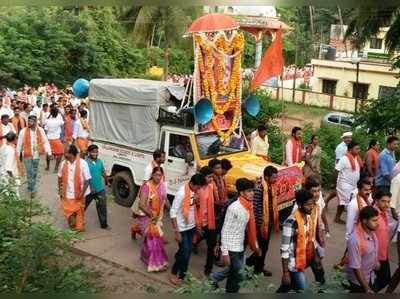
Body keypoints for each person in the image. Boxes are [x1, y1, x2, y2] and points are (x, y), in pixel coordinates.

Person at [220, 178, 261, 293]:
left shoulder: (248, 206)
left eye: (252, 190)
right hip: (231, 247)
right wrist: (225, 253)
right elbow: (225, 230)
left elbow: (251, 229)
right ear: (241, 193)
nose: (252, 193)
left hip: (240, 246)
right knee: (239, 274)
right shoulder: (234, 208)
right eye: (249, 191)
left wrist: (255, 246)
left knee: (234, 274)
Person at [276, 189, 319, 293]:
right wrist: (285, 272)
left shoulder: (308, 217)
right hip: (293, 265)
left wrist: (315, 257)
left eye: (312, 204)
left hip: (302, 260)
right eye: (308, 205)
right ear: (299, 205)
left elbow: (310, 239)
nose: (311, 207)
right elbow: (284, 249)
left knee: (286, 288)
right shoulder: (290, 223)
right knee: (302, 289)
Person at [169, 173, 207, 285]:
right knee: (184, 253)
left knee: (186, 252)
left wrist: (196, 201)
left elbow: (193, 208)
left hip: (191, 227)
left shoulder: (194, 192)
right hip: (182, 228)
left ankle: (183, 275)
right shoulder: (181, 193)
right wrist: (176, 232)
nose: (199, 189)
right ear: (192, 184)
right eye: (198, 187)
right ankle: (173, 272)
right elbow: (173, 212)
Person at [245, 165, 279, 277]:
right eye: (274, 177)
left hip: (268, 221)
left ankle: (258, 268)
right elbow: (255, 208)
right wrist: (260, 224)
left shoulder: (271, 186)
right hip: (261, 223)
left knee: (264, 247)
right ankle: (251, 266)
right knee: (261, 247)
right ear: (266, 177)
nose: (276, 179)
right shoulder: (260, 188)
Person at [138, 167, 169, 272]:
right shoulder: (147, 186)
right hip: (147, 217)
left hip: (157, 217)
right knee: (154, 241)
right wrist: (152, 216)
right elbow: (141, 205)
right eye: (156, 175)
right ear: (152, 175)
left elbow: (165, 198)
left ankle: (145, 257)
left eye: (160, 175)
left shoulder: (162, 186)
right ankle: (155, 265)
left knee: (152, 241)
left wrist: (172, 211)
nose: (158, 177)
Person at [345, 206, 379, 293]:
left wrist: (376, 262)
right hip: (357, 283)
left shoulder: (372, 233)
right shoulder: (355, 240)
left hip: (370, 277)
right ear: (364, 221)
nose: (377, 223)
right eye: (374, 220)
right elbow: (356, 267)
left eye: (377, 220)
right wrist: (366, 288)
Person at [58, 144, 91, 232]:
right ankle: (73, 227)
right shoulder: (63, 164)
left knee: (79, 211)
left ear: (72, 154)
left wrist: (82, 193)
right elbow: (59, 177)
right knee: (69, 212)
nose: (64, 154)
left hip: (80, 193)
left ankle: (79, 227)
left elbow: (87, 180)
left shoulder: (83, 163)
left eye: (66, 153)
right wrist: (60, 190)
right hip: (67, 193)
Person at [17, 115, 51, 197]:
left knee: (34, 172)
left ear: (35, 122)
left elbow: (45, 141)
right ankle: (33, 189)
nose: (29, 123)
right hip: (27, 155)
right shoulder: (23, 131)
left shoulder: (41, 130)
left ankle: (30, 185)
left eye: (31, 121)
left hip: (36, 155)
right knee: (29, 172)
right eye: (28, 121)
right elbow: (19, 144)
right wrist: (18, 155)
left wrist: (49, 152)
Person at [372, 189, 397, 292]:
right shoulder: (373, 215)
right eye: (383, 201)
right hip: (375, 256)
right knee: (383, 278)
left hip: (383, 254)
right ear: (376, 200)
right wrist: (374, 259)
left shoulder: (383, 213)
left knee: (384, 278)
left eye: (388, 202)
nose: (386, 204)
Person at [195, 166, 217, 276]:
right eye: (209, 177)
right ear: (203, 177)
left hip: (209, 221)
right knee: (187, 244)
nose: (211, 179)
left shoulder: (211, 187)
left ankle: (208, 268)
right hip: (197, 221)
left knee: (212, 244)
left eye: (212, 177)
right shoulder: (197, 189)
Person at [335, 142, 362, 224]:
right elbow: (336, 170)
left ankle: (337, 218)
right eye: (356, 149)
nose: (359, 150)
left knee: (343, 202)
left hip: (353, 185)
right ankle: (352, 220)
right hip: (344, 184)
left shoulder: (356, 158)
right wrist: (333, 184)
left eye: (359, 149)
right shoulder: (344, 158)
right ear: (350, 150)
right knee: (349, 202)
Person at [85, 145, 110, 229]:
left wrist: (107, 180)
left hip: (100, 189)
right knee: (82, 207)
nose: (95, 153)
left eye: (96, 151)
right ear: (89, 152)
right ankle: (76, 223)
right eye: (93, 151)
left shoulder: (99, 161)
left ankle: (104, 224)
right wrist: (91, 187)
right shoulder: (85, 163)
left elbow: (102, 171)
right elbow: (85, 177)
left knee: (102, 207)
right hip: (89, 190)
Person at [44, 108, 64, 172]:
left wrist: (50, 115)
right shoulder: (58, 121)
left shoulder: (47, 121)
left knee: (48, 153)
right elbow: (64, 121)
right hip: (56, 139)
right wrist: (61, 114)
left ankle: (48, 166)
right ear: (57, 114)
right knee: (60, 153)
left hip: (49, 139)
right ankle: (56, 168)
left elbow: (46, 129)